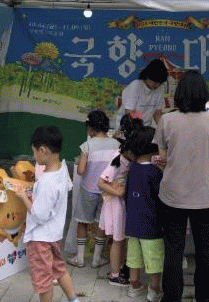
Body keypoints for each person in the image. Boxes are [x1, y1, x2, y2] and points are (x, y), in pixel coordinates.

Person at [153, 70, 209, 302]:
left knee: (174, 248)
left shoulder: (167, 120)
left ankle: (172, 297)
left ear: (180, 93)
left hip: (173, 194)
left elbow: (163, 156)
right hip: (204, 195)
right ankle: (207, 297)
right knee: (206, 249)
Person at [15, 126, 78, 302]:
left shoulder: (47, 181)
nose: (34, 155)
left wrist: (22, 196)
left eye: (34, 151)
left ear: (43, 150)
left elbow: (39, 215)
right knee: (59, 269)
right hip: (54, 234)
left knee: (44, 281)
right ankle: (74, 299)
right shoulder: (62, 169)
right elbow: (59, 194)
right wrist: (33, 193)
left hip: (40, 238)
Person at [68, 110, 121, 268]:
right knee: (100, 223)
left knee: (82, 221)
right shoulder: (116, 145)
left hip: (89, 190)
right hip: (107, 191)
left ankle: (80, 258)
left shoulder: (87, 145)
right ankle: (96, 259)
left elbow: (81, 170)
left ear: (90, 128)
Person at [123, 126, 164, 302]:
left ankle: (134, 286)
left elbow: (127, 194)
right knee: (154, 258)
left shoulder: (132, 168)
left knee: (134, 257)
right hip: (151, 225)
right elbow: (161, 196)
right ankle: (154, 290)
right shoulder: (154, 172)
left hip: (132, 223)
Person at [98, 140, 135, 286]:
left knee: (121, 239)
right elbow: (101, 183)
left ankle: (119, 268)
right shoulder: (117, 161)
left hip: (120, 204)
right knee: (117, 240)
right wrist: (118, 193)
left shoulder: (127, 159)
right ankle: (114, 275)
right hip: (115, 205)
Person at [118, 58, 168, 127]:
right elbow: (129, 113)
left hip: (145, 128)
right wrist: (138, 129)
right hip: (129, 127)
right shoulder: (135, 86)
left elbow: (157, 113)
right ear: (147, 76)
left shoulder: (160, 88)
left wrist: (163, 128)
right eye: (155, 82)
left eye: (160, 83)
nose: (157, 85)